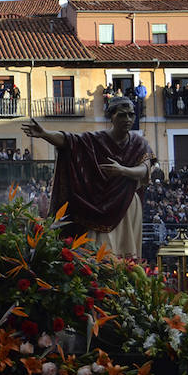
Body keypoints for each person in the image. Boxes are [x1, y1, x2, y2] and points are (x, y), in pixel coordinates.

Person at [21, 96, 154, 257]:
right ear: (111, 116)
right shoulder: (96, 140)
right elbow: (68, 141)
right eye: (122, 115)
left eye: (131, 115)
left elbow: (144, 169)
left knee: (123, 254)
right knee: (98, 253)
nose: (128, 119)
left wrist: (122, 170)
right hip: (97, 203)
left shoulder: (139, 143)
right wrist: (44, 134)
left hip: (127, 203)